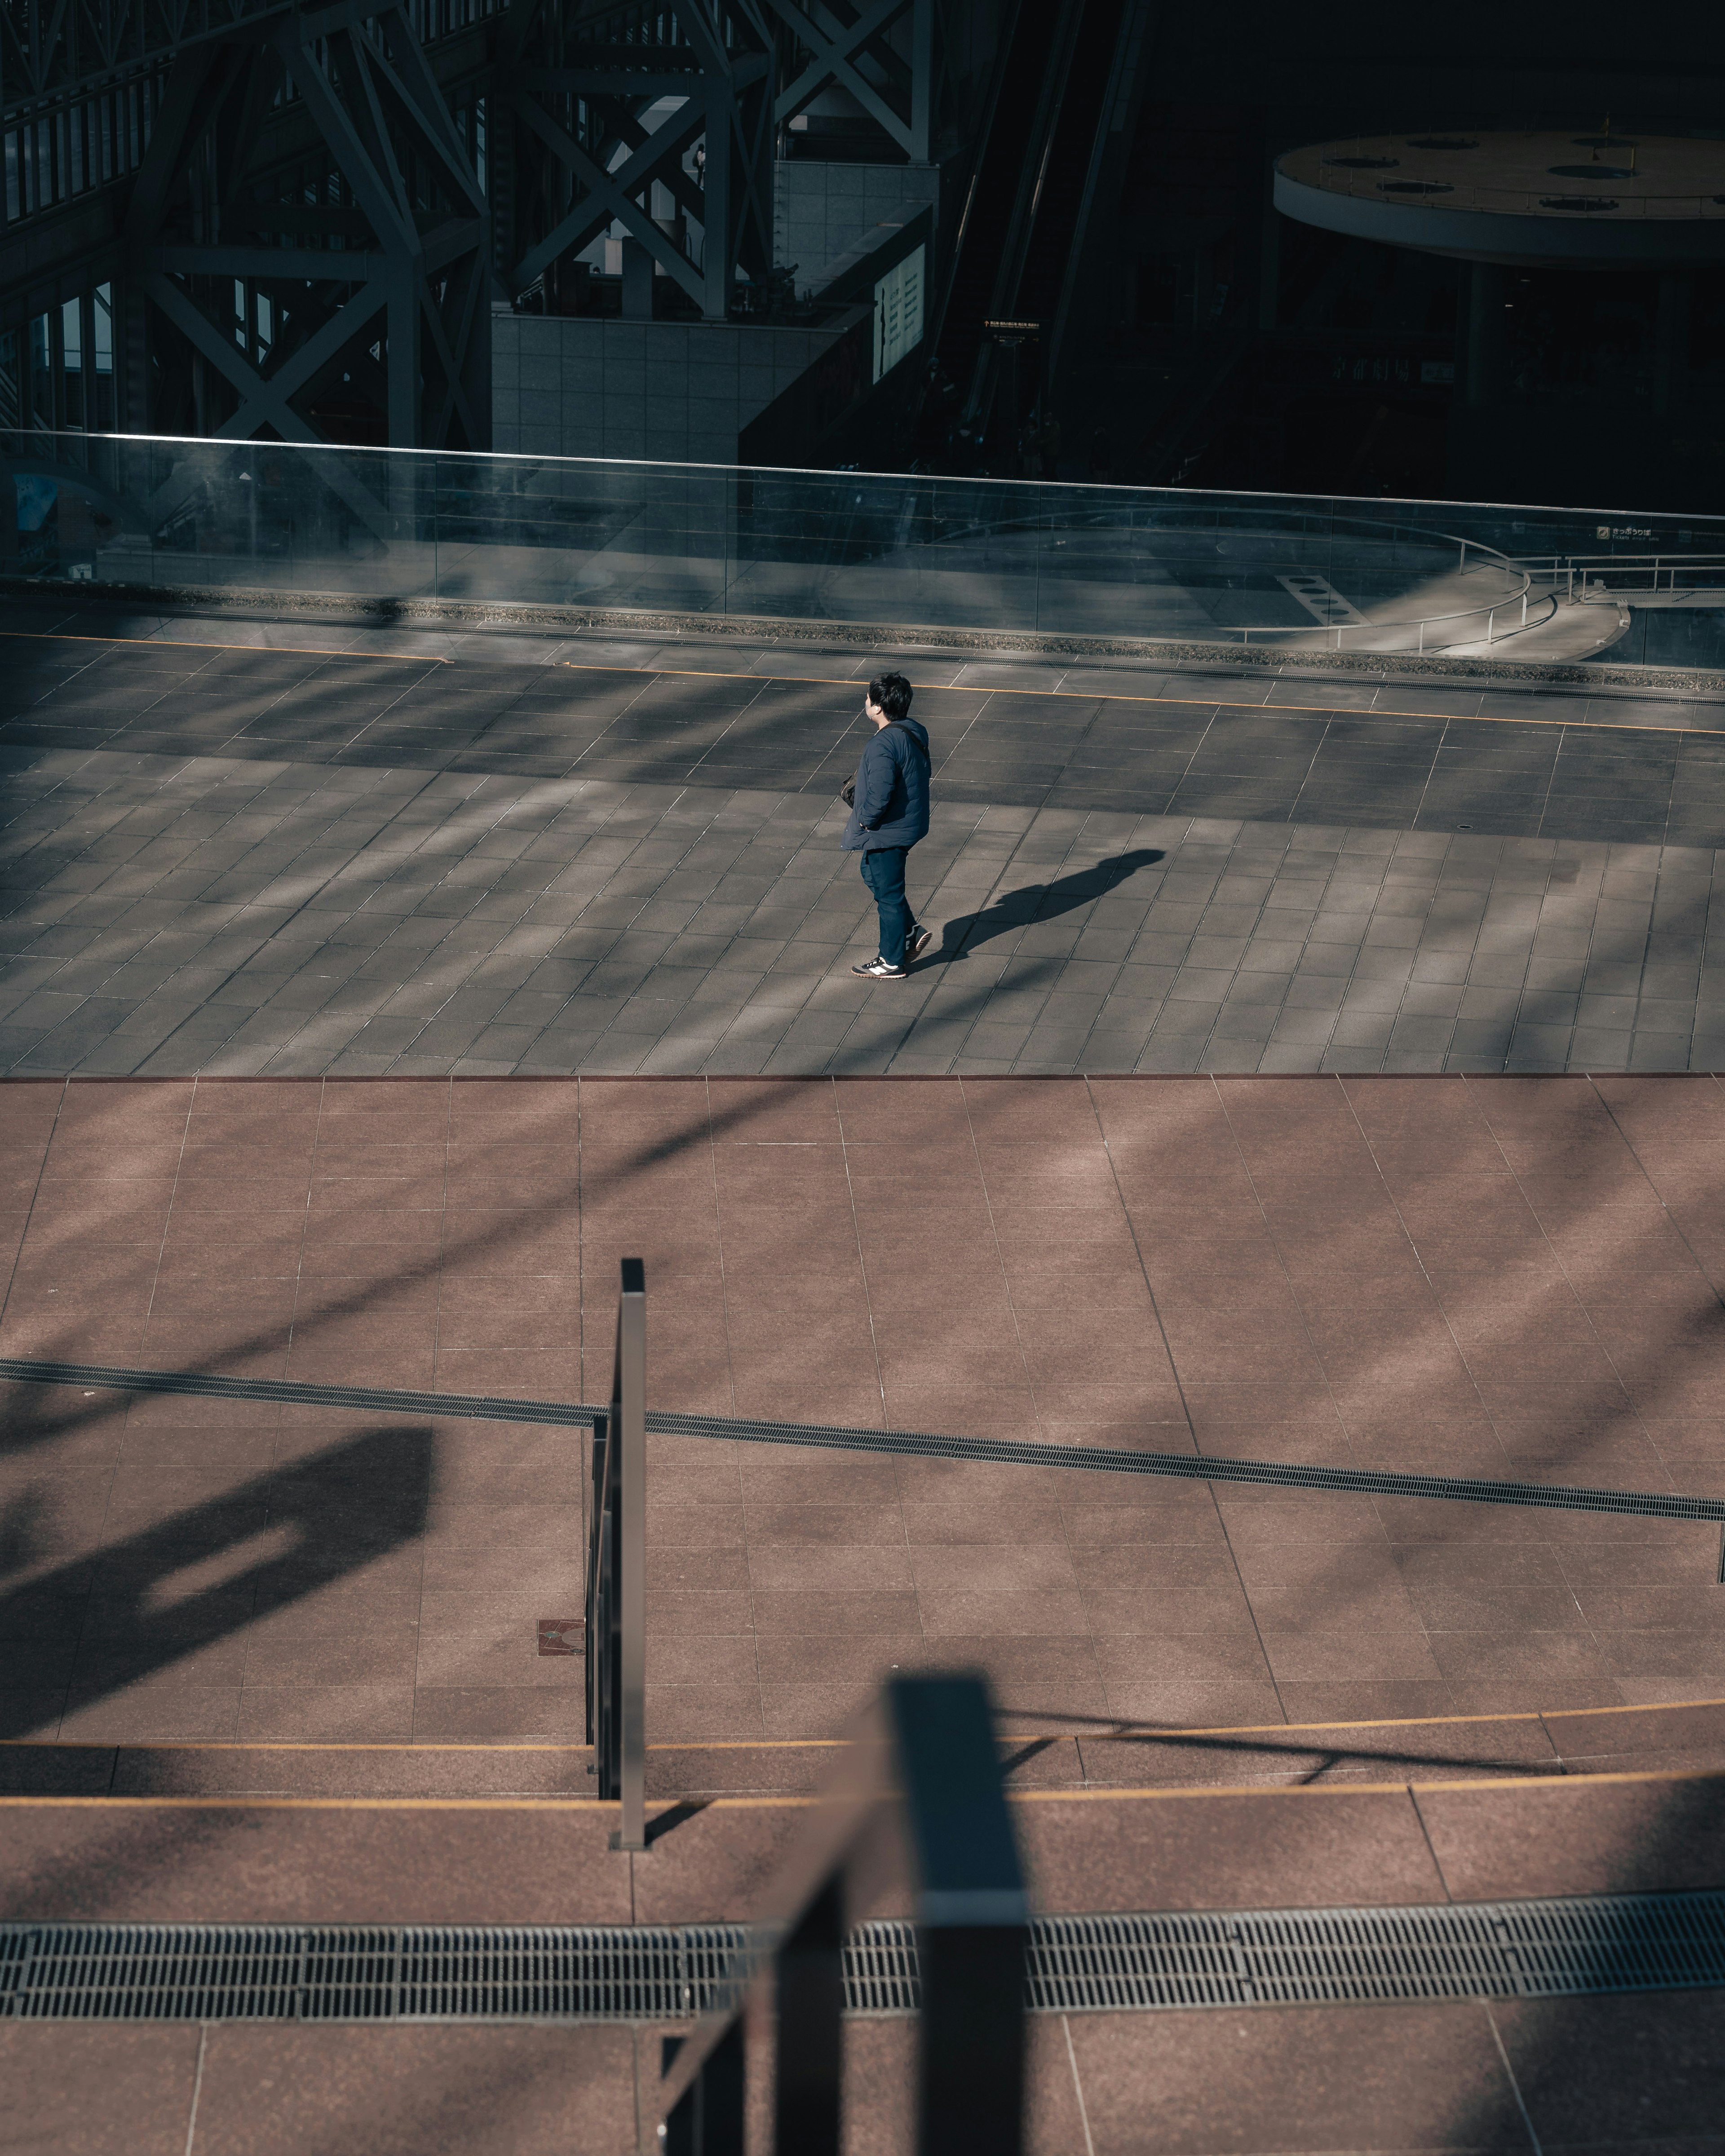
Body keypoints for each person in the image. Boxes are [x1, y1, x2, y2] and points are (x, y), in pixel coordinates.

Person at [841, 671, 931, 980]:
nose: (866, 701)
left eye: (869, 697)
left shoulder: (882, 745)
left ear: (878, 707)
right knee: (872, 874)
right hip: (909, 824)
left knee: (889, 895)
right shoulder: (913, 730)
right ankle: (910, 929)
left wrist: (866, 822)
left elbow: (880, 793)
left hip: (888, 831)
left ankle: (891, 960)